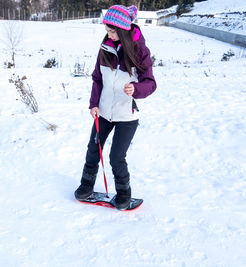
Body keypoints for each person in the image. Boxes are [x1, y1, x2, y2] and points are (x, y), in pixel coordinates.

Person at [74, 5, 157, 210]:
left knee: (116, 157)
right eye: (107, 31)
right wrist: (93, 104)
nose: (108, 35)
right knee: (94, 150)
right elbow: (97, 79)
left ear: (122, 29)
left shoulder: (140, 51)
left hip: (126, 115)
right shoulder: (105, 48)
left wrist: (136, 89)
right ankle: (86, 185)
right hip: (103, 112)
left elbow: (150, 83)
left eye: (112, 31)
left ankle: (124, 194)